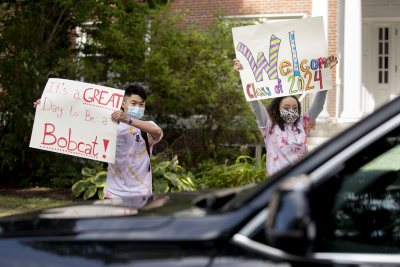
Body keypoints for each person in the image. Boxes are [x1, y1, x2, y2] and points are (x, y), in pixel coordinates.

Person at [234, 59, 328, 175]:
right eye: (287, 107)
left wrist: (325, 76)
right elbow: (255, 104)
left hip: (300, 180)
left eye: (294, 108)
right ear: (278, 109)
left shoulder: (303, 123)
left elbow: (318, 105)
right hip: (277, 183)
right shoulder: (269, 125)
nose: (291, 110)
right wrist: (243, 74)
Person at [104, 83, 163, 198]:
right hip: (113, 194)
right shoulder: (110, 126)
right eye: (134, 103)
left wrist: (128, 120)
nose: (138, 107)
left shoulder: (147, 127)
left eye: (141, 104)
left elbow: (158, 132)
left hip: (141, 193)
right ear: (123, 104)